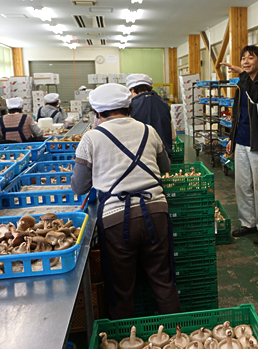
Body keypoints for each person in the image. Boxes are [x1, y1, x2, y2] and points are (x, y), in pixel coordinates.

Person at [71, 83, 181, 319]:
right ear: (128, 106)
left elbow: (79, 186)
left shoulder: (90, 138)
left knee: (122, 288)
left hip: (116, 219)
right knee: (163, 280)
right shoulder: (148, 130)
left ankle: (126, 340)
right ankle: (176, 337)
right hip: (156, 211)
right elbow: (165, 167)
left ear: (98, 113)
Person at [221, 45, 258, 244]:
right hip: (241, 141)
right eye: (243, 58)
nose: (245, 61)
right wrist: (231, 138)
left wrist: (240, 75)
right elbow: (238, 114)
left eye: (250, 58)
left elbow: (256, 97)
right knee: (242, 185)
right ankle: (248, 223)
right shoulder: (241, 85)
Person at [127, 73, 173, 160]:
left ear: (132, 90)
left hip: (140, 157)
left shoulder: (130, 106)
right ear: (150, 89)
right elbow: (172, 135)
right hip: (164, 156)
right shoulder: (164, 104)